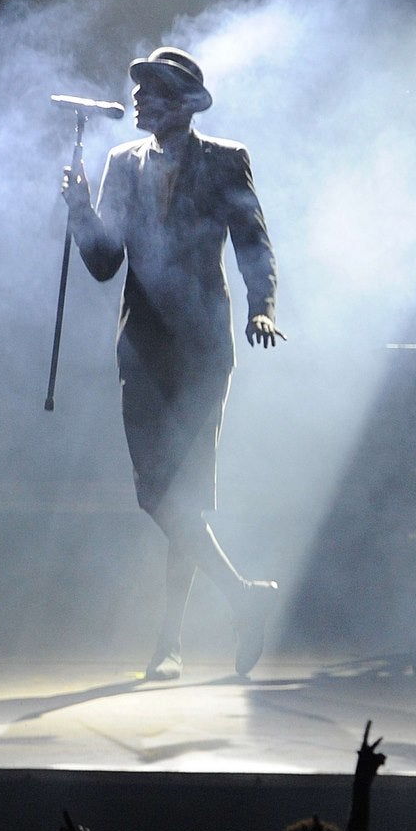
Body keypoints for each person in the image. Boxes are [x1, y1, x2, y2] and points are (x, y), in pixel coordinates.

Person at [61, 46, 283, 680]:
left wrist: (261, 305)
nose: (138, 100)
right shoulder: (120, 165)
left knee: (182, 496)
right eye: (137, 91)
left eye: (152, 91)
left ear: (184, 103)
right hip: (143, 347)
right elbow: (105, 262)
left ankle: (169, 645)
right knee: (161, 497)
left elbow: (253, 241)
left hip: (204, 346)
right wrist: (79, 208)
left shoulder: (223, 161)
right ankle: (243, 597)